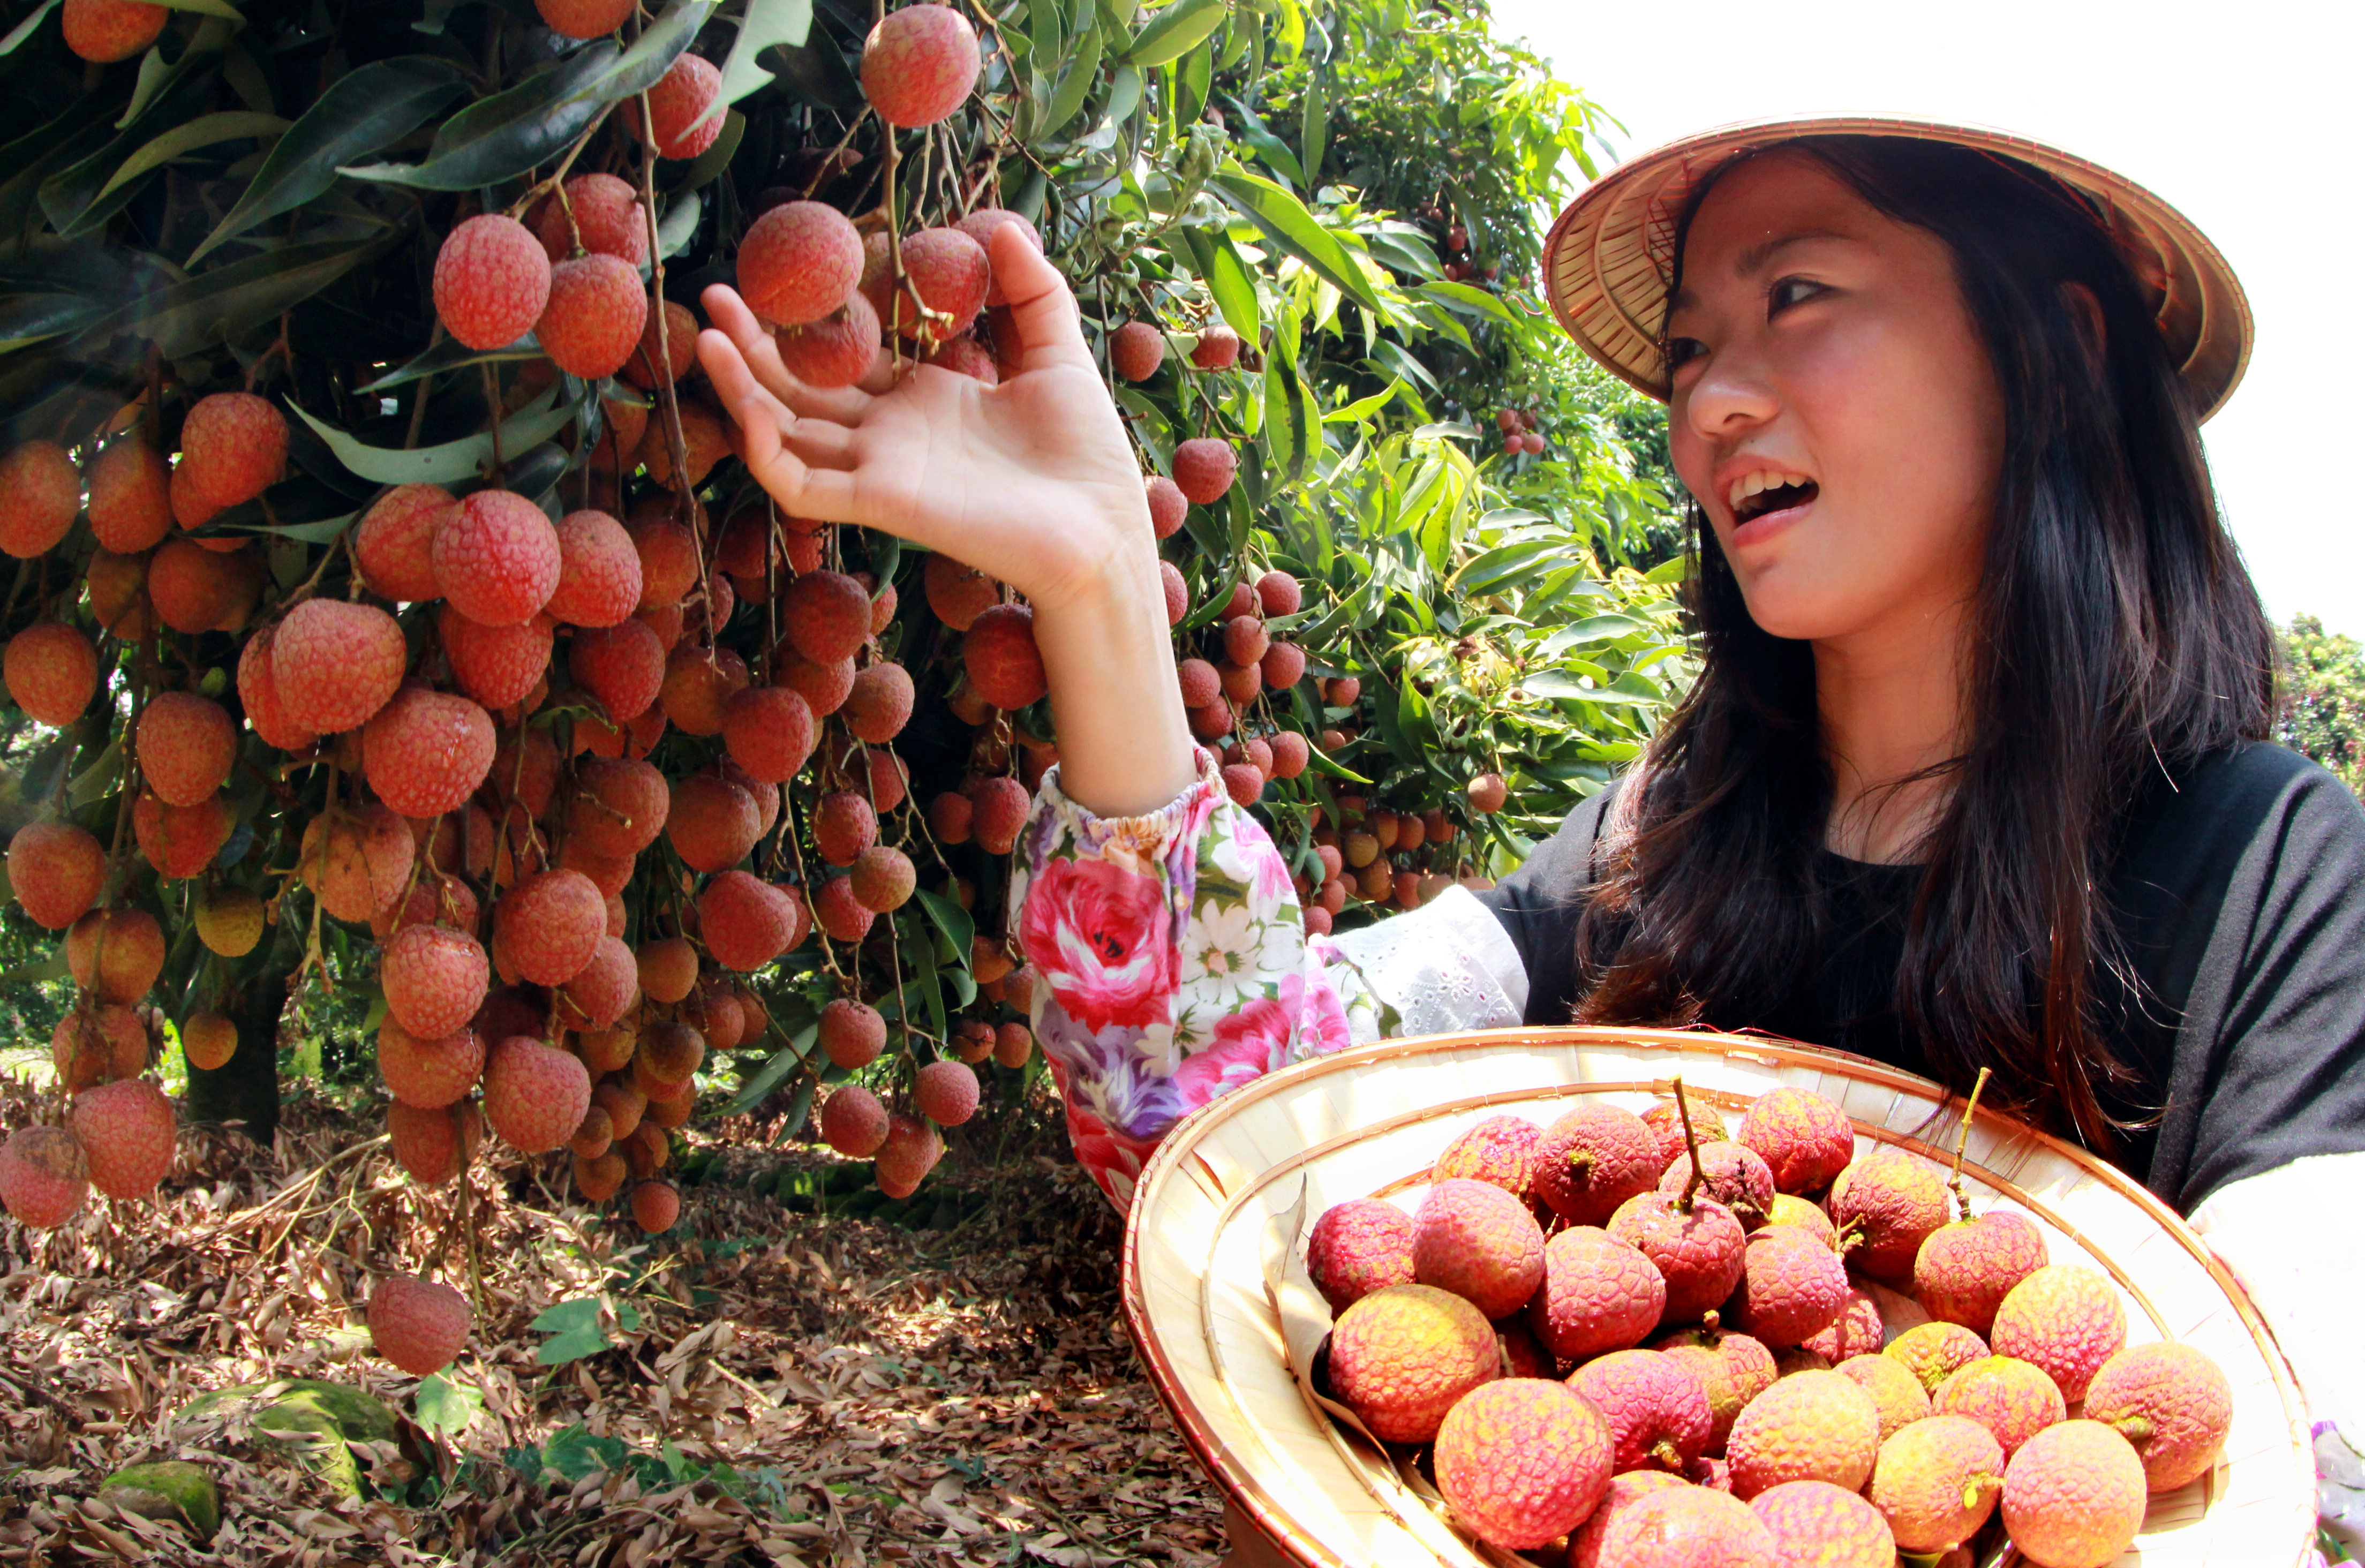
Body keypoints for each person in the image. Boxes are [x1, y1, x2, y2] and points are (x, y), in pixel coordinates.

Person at [695, 117, 2362, 1460]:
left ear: (2054, 344)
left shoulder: (2269, 877)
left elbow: (2317, 1451)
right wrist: (1099, 579)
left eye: (1800, 295)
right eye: (1692, 347)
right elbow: (1229, 1117)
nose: (1711, 401)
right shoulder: (1658, 841)